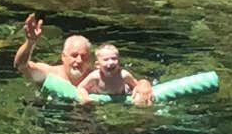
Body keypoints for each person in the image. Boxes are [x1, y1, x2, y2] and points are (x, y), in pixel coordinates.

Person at [13, 15, 154, 105]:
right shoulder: (50, 74)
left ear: (91, 61)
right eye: (74, 55)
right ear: (63, 57)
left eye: (84, 56)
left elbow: (130, 80)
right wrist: (30, 42)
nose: (79, 60)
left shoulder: (97, 76)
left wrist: (144, 84)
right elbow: (20, 65)